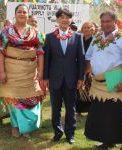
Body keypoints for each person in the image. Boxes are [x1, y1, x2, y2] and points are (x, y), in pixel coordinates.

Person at [84, 11, 122, 150]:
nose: (105, 24)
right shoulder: (97, 37)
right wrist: (84, 75)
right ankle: (107, 141)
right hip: (98, 82)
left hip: (115, 79)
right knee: (101, 113)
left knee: (116, 113)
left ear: (115, 22)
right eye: (103, 21)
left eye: (108, 21)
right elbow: (88, 57)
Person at [0, 4, 44, 138]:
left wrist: (40, 71)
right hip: (11, 70)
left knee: (31, 98)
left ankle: (27, 127)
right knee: (13, 99)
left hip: (30, 72)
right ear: (15, 14)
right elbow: (0, 52)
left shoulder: (35, 32)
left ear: (28, 15)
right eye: (19, 12)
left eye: (24, 12)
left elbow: (40, 52)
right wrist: (1, 72)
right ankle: (15, 126)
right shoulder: (6, 31)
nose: (22, 14)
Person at [43, 8, 84, 144]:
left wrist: (80, 78)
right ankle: (57, 132)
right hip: (55, 78)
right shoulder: (49, 37)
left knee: (71, 108)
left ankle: (70, 133)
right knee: (55, 108)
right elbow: (47, 59)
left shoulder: (78, 37)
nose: (65, 20)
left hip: (71, 79)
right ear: (57, 19)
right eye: (62, 17)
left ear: (71, 20)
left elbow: (81, 59)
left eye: (67, 17)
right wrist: (46, 78)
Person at [75, 21, 95, 115]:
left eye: (88, 27)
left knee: (89, 88)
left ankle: (90, 109)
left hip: (91, 68)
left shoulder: (95, 40)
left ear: (92, 29)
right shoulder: (79, 40)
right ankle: (78, 110)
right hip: (79, 67)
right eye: (84, 28)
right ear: (82, 30)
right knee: (79, 89)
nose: (86, 29)